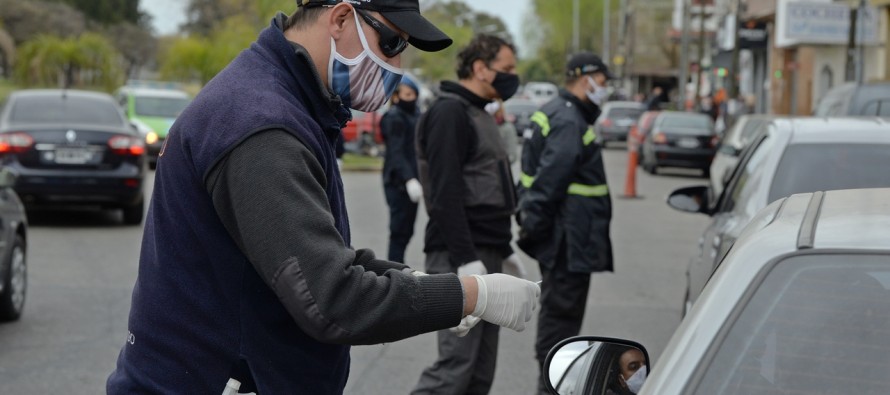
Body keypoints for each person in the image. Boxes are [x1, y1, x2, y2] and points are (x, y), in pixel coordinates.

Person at [106, 1, 540, 393]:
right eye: (391, 41)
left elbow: (315, 253)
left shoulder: (286, 101)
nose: (397, 63)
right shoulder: (262, 124)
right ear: (340, 18)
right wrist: (472, 295)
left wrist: (420, 283)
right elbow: (330, 298)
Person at [412, 34, 528, 395]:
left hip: (485, 253)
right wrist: (465, 259)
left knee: (480, 371)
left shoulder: (479, 113)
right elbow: (444, 195)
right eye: (506, 69)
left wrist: (504, 249)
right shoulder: (450, 113)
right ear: (480, 68)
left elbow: (488, 187)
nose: (512, 77)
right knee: (455, 368)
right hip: (460, 257)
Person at [516, 51, 615, 393]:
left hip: (566, 239)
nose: (604, 90)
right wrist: (535, 231)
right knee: (561, 325)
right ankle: (552, 386)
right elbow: (548, 184)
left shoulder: (560, 114)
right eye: (602, 83)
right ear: (584, 78)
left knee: (560, 319)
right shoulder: (569, 120)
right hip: (568, 242)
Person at [381, 77, 422, 263]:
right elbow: (396, 152)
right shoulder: (395, 117)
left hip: (412, 181)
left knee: (406, 231)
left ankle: (398, 268)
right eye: (406, 94)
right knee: (398, 231)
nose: (410, 98)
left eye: (412, 94)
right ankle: (395, 272)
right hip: (398, 182)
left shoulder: (416, 115)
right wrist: (409, 179)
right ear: (396, 96)